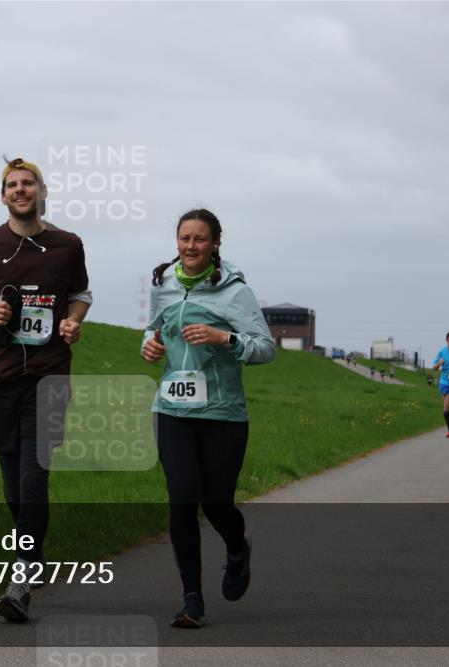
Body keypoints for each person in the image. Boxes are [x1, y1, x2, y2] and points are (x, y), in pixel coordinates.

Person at [0, 157, 91, 623]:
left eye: (28, 183)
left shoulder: (67, 245)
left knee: (34, 478)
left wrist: (72, 321)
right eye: (12, 185)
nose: (20, 190)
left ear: (43, 192)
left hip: (49, 378)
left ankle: (21, 578)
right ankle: (35, 555)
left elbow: (82, 295)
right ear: (3, 195)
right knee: (13, 486)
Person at [141, 208, 275, 628]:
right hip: (172, 409)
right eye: (184, 239)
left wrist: (225, 338)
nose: (191, 246)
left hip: (222, 414)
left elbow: (265, 347)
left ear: (216, 243)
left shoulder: (235, 291)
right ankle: (191, 599)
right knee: (182, 497)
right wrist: (149, 345)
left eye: (200, 239)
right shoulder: (163, 283)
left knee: (216, 503)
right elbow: (154, 328)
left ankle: (237, 548)